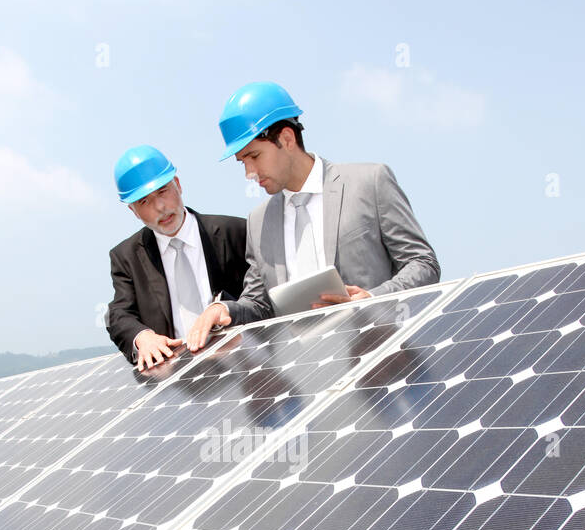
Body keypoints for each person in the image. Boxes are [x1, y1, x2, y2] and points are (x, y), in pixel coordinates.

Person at [186, 82, 440, 352]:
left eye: (254, 156)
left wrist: (373, 299)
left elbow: (423, 263)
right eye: (243, 161)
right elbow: (259, 306)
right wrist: (224, 308)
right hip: (308, 376)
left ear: (286, 139)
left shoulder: (370, 182)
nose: (249, 172)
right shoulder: (259, 222)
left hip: (382, 364)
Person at [106, 145, 248, 369]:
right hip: (176, 384)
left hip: (246, 368)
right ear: (133, 211)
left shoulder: (236, 232)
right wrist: (142, 337)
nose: (160, 207)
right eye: (144, 201)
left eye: (163, 191)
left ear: (178, 185)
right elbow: (119, 313)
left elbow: (262, 296)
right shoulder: (127, 257)